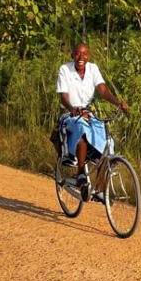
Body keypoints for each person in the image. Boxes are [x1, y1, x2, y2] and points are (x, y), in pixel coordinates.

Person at [54, 43, 128, 187]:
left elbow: (102, 90)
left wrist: (118, 103)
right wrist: (72, 108)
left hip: (88, 112)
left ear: (89, 56)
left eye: (84, 54)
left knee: (106, 139)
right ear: (72, 55)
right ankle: (81, 173)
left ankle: (101, 187)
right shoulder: (65, 69)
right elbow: (63, 96)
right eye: (77, 54)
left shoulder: (93, 69)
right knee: (82, 129)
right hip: (69, 114)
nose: (81, 57)